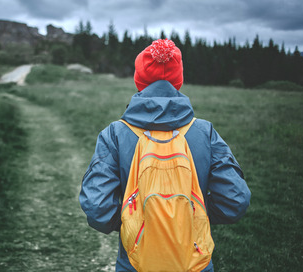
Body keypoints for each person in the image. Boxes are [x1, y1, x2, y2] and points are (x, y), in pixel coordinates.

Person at [79, 39, 251, 272]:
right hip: (194, 262)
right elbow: (235, 200)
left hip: (135, 263)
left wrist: (134, 222)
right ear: (178, 81)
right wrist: (189, 217)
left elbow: (97, 207)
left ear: (139, 80)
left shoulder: (115, 134)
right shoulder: (205, 132)